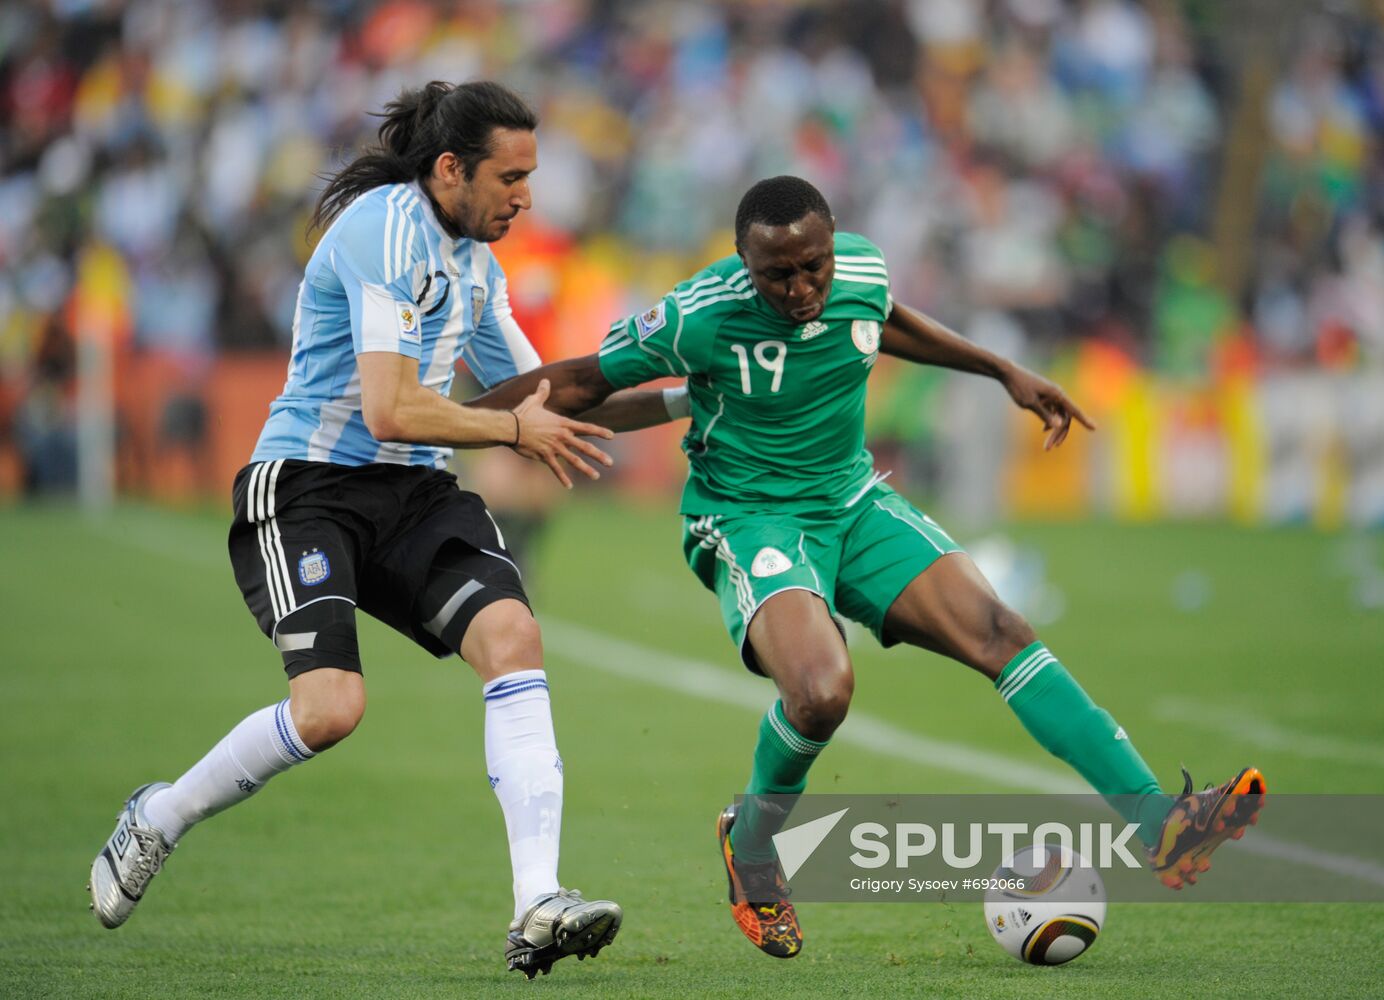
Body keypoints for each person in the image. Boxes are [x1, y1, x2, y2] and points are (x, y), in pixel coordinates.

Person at [469, 175, 1267, 959]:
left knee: (1001, 630)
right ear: (745, 264)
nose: (800, 286)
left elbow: (886, 322)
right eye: (776, 273)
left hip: (851, 501)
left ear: (831, 245)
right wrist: (449, 425)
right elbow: (579, 381)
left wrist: (1002, 371)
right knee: (821, 693)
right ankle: (752, 849)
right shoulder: (697, 315)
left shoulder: (861, 270)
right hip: (749, 517)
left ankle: (1159, 823)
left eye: (812, 265)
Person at [87, 80, 670, 979]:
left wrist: (690, 399)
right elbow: (392, 408)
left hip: (414, 494)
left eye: (532, 176)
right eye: (510, 177)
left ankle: (537, 904)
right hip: (308, 488)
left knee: (514, 634)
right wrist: (515, 429)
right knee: (331, 712)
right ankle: (158, 817)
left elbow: (556, 394)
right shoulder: (385, 229)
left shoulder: (478, 266)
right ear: (450, 169)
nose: (526, 196)